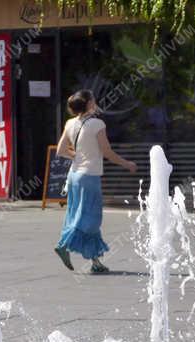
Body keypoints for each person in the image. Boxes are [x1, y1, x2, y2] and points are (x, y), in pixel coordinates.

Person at [53, 89, 137, 274]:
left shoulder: (70, 123)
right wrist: (127, 164)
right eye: (93, 99)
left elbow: (60, 150)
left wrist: (78, 155)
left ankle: (95, 262)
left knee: (78, 215)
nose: (95, 101)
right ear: (89, 103)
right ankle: (63, 245)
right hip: (89, 177)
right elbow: (106, 152)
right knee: (90, 218)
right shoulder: (97, 124)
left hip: (74, 175)